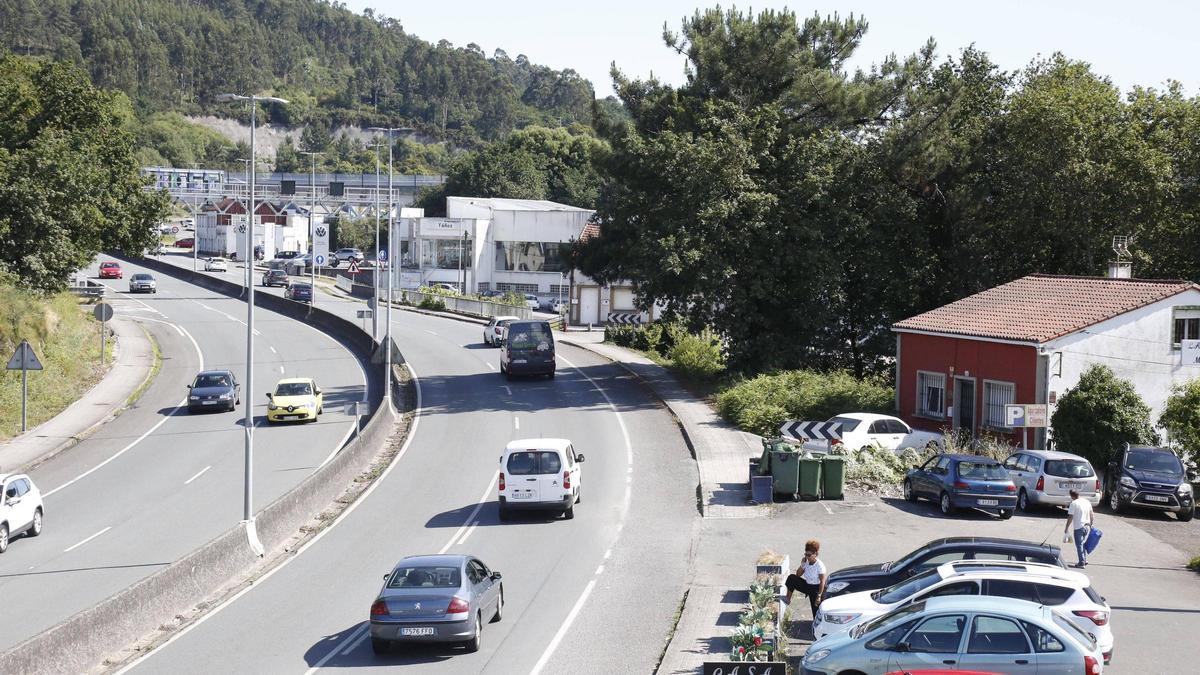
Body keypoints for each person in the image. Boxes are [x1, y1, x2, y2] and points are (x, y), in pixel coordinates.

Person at [784, 540, 826, 618]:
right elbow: (798, 575)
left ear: (815, 554)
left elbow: (822, 582)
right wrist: (802, 565)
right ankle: (787, 599)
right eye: (806, 554)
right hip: (808, 586)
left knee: (816, 613)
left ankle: (818, 628)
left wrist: (819, 596)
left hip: (816, 589)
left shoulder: (820, 566)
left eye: (809, 555)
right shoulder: (806, 562)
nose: (807, 557)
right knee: (792, 578)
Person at [1064, 489, 1094, 567]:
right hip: (1087, 526)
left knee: (1079, 544)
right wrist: (1091, 524)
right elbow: (1092, 514)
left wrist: (1067, 527)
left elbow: (1070, 516)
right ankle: (1084, 559)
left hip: (1079, 527)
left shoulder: (1074, 503)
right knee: (1082, 543)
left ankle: (1081, 562)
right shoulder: (1086, 502)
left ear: (1071, 496)